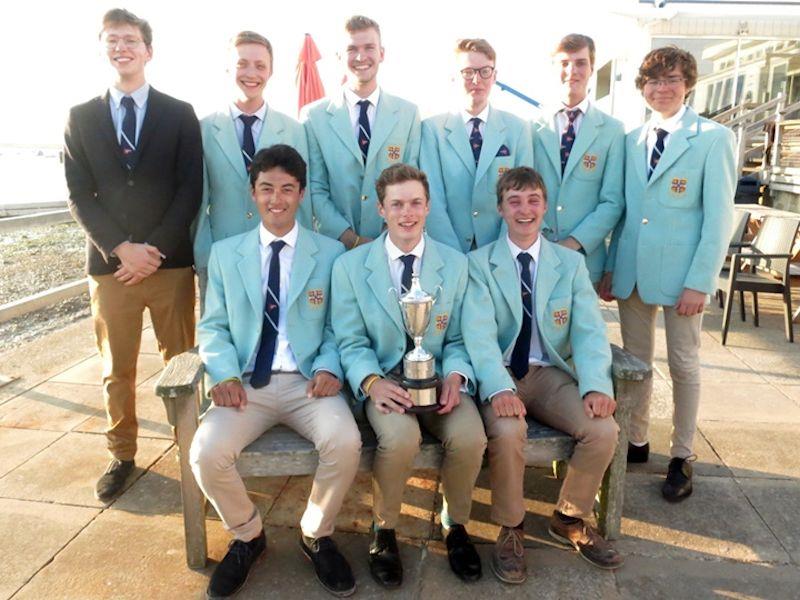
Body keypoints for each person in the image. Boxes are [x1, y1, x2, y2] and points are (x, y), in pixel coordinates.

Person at [190, 145, 361, 598]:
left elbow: (339, 327)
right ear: (253, 193)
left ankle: (315, 533)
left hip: (310, 385)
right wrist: (223, 375)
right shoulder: (227, 255)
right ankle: (248, 535)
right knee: (205, 453)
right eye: (267, 188)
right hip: (246, 385)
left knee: (345, 441)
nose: (277, 198)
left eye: (288, 188)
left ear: (302, 194)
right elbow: (213, 326)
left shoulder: (328, 255)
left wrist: (329, 367)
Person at [63, 8, 202, 502]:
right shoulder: (80, 117)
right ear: (104, 48)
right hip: (110, 269)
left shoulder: (180, 113)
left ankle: (192, 450)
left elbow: (190, 189)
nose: (121, 47)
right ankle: (121, 454)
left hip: (170, 264)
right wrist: (120, 249)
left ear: (148, 50)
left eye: (130, 39)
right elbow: (79, 194)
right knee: (115, 368)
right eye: (112, 40)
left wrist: (154, 250)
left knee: (181, 364)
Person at [463, 167, 623, 583]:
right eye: (514, 201)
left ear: (545, 206)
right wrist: (497, 387)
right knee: (508, 430)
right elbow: (478, 336)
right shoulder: (478, 264)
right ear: (500, 208)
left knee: (603, 431)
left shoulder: (569, 264)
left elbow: (589, 331)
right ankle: (511, 528)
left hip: (551, 375)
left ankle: (569, 517)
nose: (524, 209)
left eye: (533, 200)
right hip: (501, 373)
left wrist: (595, 386)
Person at [331, 164, 487, 587]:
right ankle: (385, 530)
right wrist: (371, 383)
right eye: (396, 204)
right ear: (381, 209)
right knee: (401, 438)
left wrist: (457, 375)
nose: (407, 213)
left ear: (428, 206)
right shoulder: (350, 267)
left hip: (438, 384)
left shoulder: (454, 265)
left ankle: (456, 524)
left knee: (471, 436)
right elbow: (349, 339)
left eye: (415, 202)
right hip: (386, 382)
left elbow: (459, 337)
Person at [602, 47, 735, 502]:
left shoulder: (713, 138)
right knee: (636, 366)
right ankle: (637, 441)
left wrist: (701, 280)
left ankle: (682, 455)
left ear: (689, 83)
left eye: (672, 79)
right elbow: (624, 212)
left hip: (684, 280)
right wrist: (609, 266)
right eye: (653, 81)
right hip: (634, 273)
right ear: (643, 88)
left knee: (684, 364)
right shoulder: (631, 139)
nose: (662, 88)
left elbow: (719, 218)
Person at [193, 31, 309, 308]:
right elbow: (197, 203)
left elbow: (305, 198)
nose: (251, 73)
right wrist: (203, 256)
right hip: (222, 253)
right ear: (228, 68)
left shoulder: (293, 129)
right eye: (242, 64)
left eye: (260, 65)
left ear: (271, 71)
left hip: (280, 251)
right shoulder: (203, 129)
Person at [303, 15, 421, 249]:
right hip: (335, 247)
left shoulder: (408, 114)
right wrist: (350, 239)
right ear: (339, 56)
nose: (360, 57)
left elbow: (412, 181)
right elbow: (315, 188)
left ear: (382, 53)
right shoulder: (313, 117)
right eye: (351, 49)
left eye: (369, 47)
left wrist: (390, 235)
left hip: (394, 245)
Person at [421, 38, 533, 252]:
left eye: (484, 71)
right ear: (454, 76)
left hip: (502, 251)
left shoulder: (517, 129)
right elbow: (432, 197)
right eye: (468, 72)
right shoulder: (432, 130)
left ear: (495, 76)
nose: (476, 79)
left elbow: (522, 197)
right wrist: (452, 254)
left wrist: (502, 250)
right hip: (448, 251)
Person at [532, 34, 624, 283]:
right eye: (563, 63)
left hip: (585, 258)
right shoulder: (530, 128)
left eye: (580, 63)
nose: (571, 70)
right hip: (536, 254)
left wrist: (572, 243)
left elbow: (612, 201)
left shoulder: (612, 131)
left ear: (592, 67)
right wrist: (538, 239)